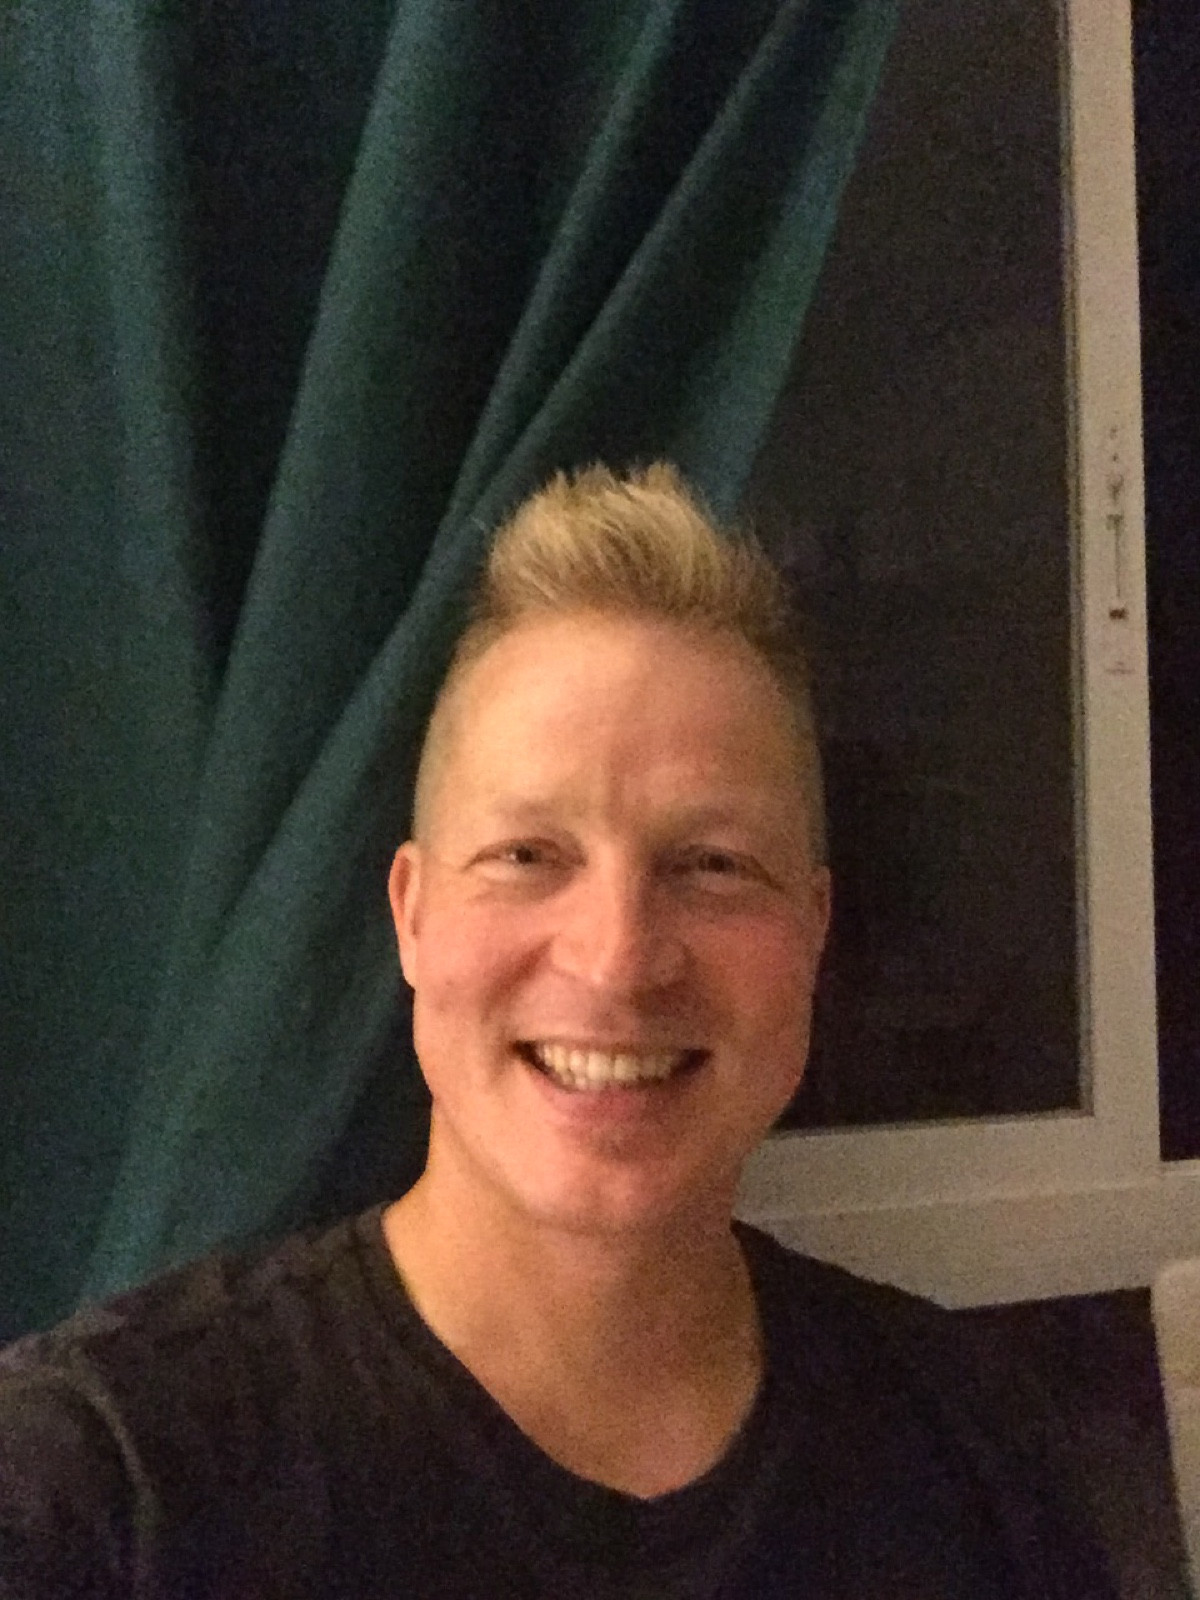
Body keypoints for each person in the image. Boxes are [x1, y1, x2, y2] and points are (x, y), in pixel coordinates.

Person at [0, 465, 1117, 1598]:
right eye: (528, 856)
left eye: (713, 865)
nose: (617, 957)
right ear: (413, 917)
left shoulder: (983, 1459)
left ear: (812, 934)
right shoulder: (100, 1493)